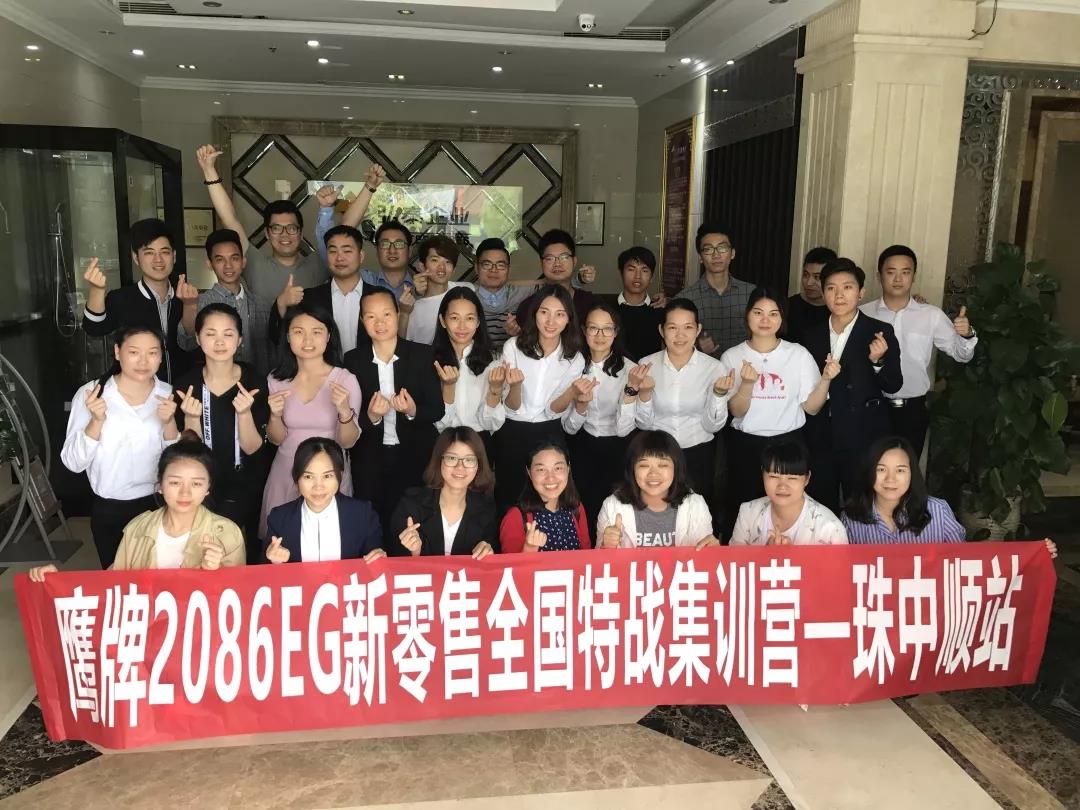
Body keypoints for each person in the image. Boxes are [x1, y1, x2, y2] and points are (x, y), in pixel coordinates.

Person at [36, 431, 244, 576]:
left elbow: (241, 601)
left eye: (196, 484)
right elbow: (112, 584)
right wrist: (59, 580)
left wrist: (215, 574)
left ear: (208, 488)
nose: (185, 492)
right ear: (160, 485)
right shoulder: (138, 528)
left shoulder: (227, 534)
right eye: (175, 482)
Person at [719, 288, 838, 532]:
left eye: (773, 314)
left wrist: (825, 379)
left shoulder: (798, 354)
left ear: (782, 318)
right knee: (743, 510)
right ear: (747, 314)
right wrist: (747, 385)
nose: (765, 320)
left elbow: (812, 408)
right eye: (758, 312)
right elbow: (736, 411)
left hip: (788, 445)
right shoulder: (731, 356)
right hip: (746, 446)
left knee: (787, 510)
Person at [60, 326, 179, 568]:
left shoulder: (167, 394)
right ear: (117, 352)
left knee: (160, 580)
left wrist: (169, 422)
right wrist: (96, 422)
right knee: (119, 582)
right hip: (111, 509)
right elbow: (73, 462)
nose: (143, 361)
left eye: (152, 353)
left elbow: (178, 459)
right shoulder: (92, 394)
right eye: (134, 352)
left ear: (161, 356)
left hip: (159, 505)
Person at [801, 258, 902, 512]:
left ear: (861, 293)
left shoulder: (879, 331)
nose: (839, 295)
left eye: (847, 287)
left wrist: (878, 361)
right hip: (821, 433)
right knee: (820, 505)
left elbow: (894, 384)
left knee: (861, 505)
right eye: (831, 288)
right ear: (823, 293)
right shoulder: (810, 334)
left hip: (863, 435)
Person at [859, 245, 977, 456]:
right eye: (891, 272)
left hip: (912, 411)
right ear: (879, 276)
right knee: (869, 468)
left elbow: (962, 355)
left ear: (914, 276)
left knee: (907, 468)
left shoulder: (931, 315)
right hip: (871, 407)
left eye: (905, 272)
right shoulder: (862, 314)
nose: (898, 279)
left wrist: (966, 334)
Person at [174, 303, 269, 561]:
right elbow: (189, 452)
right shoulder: (187, 384)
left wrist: (244, 413)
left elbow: (252, 447)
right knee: (204, 552)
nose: (219, 342)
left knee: (249, 553)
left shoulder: (254, 381)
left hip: (248, 482)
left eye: (228, 334)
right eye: (210, 333)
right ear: (197, 338)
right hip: (203, 484)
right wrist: (191, 418)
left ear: (240, 339)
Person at [344, 288, 444, 526]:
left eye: (386, 314)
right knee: (372, 522)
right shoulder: (353, 360)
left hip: (415, 455)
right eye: (371, 316)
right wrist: (372, 416)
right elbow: (348, 417)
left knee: (414, 521)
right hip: (370, 458)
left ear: (398, 314)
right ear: (362, 321)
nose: (380, 323)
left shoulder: (422, 354)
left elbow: (437, 409)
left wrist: (412, 411)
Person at [260, 303, 362, 537]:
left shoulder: (345, 380)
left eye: (316, 332)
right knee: (281, 544)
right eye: (298, 332)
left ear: (328, 336)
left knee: (330, 542)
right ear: (288, 337)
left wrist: (344, 411)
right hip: (286, 472)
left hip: (328, 475)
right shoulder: (276, 380)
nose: (307, 340)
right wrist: (275, 415)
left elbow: (348, 442)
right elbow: (276, 439)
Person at [633, 298, 734, 508]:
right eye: (672, 328)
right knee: (657, 513)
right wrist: (645, 393)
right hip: (657, 456)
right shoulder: (646, 365)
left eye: (688, 327)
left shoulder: (714, 368)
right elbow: (643, 424)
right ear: (661, 330)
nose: (680, 335)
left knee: (696, 514)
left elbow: (713, 426)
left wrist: (718, 394)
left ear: (698, 330)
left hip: (698, 454)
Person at [196, 145, 326, 304]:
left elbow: (347, 230)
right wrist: (209, 170)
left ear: (300, 232)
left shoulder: (317, 264)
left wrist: (329, 206)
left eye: (291, 228)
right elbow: (229, 218)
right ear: (267, 233)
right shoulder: (254, 263)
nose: (284, 234)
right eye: (276, 228)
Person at [495, 284, 586, 512]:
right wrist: (515, 386)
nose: (550, 321)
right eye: (544, 312)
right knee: (509, 497)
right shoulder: (513, 347)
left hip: (550, 432)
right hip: (512, 430)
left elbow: (553, 410)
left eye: (560, 314)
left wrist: (572, 393)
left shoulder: (574, 358)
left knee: (549, 500)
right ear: (534, 313)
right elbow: (511, 406)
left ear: (569, 319)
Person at [81, 218, 196, 383]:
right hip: (136, 391)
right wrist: (96, 291)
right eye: (149, 252)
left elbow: (192, 342)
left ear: (174, 256)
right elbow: (94, 328)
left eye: (164, 252)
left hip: (182, 391)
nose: (158, 259)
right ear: (136, 258)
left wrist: (189, 305)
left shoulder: (185, 297)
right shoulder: (121, 298)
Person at [563, 301, 637, 533]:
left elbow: (626, 427)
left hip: (619, 447)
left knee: (617, 510)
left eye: (607, 329)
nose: (600, 335)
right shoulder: (571, 366)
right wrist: (581, 407)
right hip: (582, 445)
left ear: (616, 332)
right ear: (584, 331)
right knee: (583, 507)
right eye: (593, 328)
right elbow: (569, 428)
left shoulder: (630, 370)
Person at [264, 437, 384, 563]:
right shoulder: (279, 518)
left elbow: (376, 560)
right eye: (308, 476)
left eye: (327, 476)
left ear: (340, 475)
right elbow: (263, 567)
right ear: (296, 478)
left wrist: (379, 558)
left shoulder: (362, 514)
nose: (318, 486)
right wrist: (274, 562)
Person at [596, 430, 718, 549]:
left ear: (676, 468)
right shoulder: (612, 506)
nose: (653, 473)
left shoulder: (695, 505)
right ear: (632, 469)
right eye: (644, 465)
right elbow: (598, 560)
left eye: (663, 465)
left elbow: (704, 557)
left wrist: (713, 552)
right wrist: (606, 547)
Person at [177, 228, 273, 380]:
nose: (228, 265)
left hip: (257, 384)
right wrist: (189, 306)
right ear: (210, 264)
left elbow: (272, 351)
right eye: (220, 259)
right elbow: (187, 343)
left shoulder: (262, 305)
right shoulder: (200, 302)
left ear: (243, 262)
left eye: (234, 258)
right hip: (216, 385)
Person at [388, 427, 499, 558]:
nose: (460, 467)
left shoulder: (487, 509)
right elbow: (392, 558)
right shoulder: (410, 505)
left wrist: (488, 552)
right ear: (439, 460)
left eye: (469, 460)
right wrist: (415, 552)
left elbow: (493, 558)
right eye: (452, 458)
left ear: (478, 466)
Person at [268, 224, 368, 353]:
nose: (339, 258)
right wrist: (281, 304)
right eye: (333, 251)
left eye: (347, 251)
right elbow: (280, 339)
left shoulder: (379, 297)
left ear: (361, 256)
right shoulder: (309, 298)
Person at [431, 287, 505, 459]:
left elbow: (491, 423)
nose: (462, 326)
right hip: (443, 444)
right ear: (443, 320)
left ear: (478, 322)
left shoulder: (494, 361)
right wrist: (448, 387)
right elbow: (439, 423)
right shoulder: (430, 361)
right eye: (454, 318)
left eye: (470, 318)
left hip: (480, 444)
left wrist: (495, 390)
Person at [729, 440, 848, 545]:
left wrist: (791, 557)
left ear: (807, 478)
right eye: (773, 476)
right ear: (763, 473)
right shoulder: (748, 513)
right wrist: (766, 554)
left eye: (792, 478)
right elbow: (733, 562)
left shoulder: (830, 529)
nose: (782, 486)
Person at [676, 223, 755, 358]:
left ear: (732, 253)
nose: (716, 255)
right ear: (700, 257)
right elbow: (675, 344)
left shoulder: (751, 294)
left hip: (745, 369)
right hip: (703, 370)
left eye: (722, 248)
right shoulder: (684, 299)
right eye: (708, 249)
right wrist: (695, 346)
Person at [499, 441, 590, 552]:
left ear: (568, 469)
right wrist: (528, 549)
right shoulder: (515, 517)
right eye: (541, 470)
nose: (550, 478)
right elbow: (509, 563)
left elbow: (587, 556)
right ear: (529, 473)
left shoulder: (577, 508)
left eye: (558, 468)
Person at [399, 234, 474, 344]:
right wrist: (404, 313)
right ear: (422, 266)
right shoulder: (412, 308)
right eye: (435, 260)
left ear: (454, 269)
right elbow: (400, 345)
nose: (441, 267)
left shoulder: (467, 290)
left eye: (448, 262)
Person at [514, 229, 597, 327]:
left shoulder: (591, 305)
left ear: (574, 261)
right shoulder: (527, 307)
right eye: (550, 258)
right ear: (541, 263)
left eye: (564, 257)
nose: (557, 264)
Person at [473, 237, 533, 349]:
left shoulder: (524, 294)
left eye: (500, 265)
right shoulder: (466, 296)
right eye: (487, 264)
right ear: (476, 268)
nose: (493, 270)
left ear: (508, 269)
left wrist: (518, 335)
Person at [615, 246, 665, 361]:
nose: (637, 276)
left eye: (644, 270)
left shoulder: (660, 310)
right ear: (621, 273)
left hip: (651, 371)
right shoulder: (607, 310)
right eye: (631, 269)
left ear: (651, 277)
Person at [786, 246, 836, 344]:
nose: (809, 283)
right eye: (806, 275)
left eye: (817, 277)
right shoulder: (787, 306)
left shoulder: (838, 311)